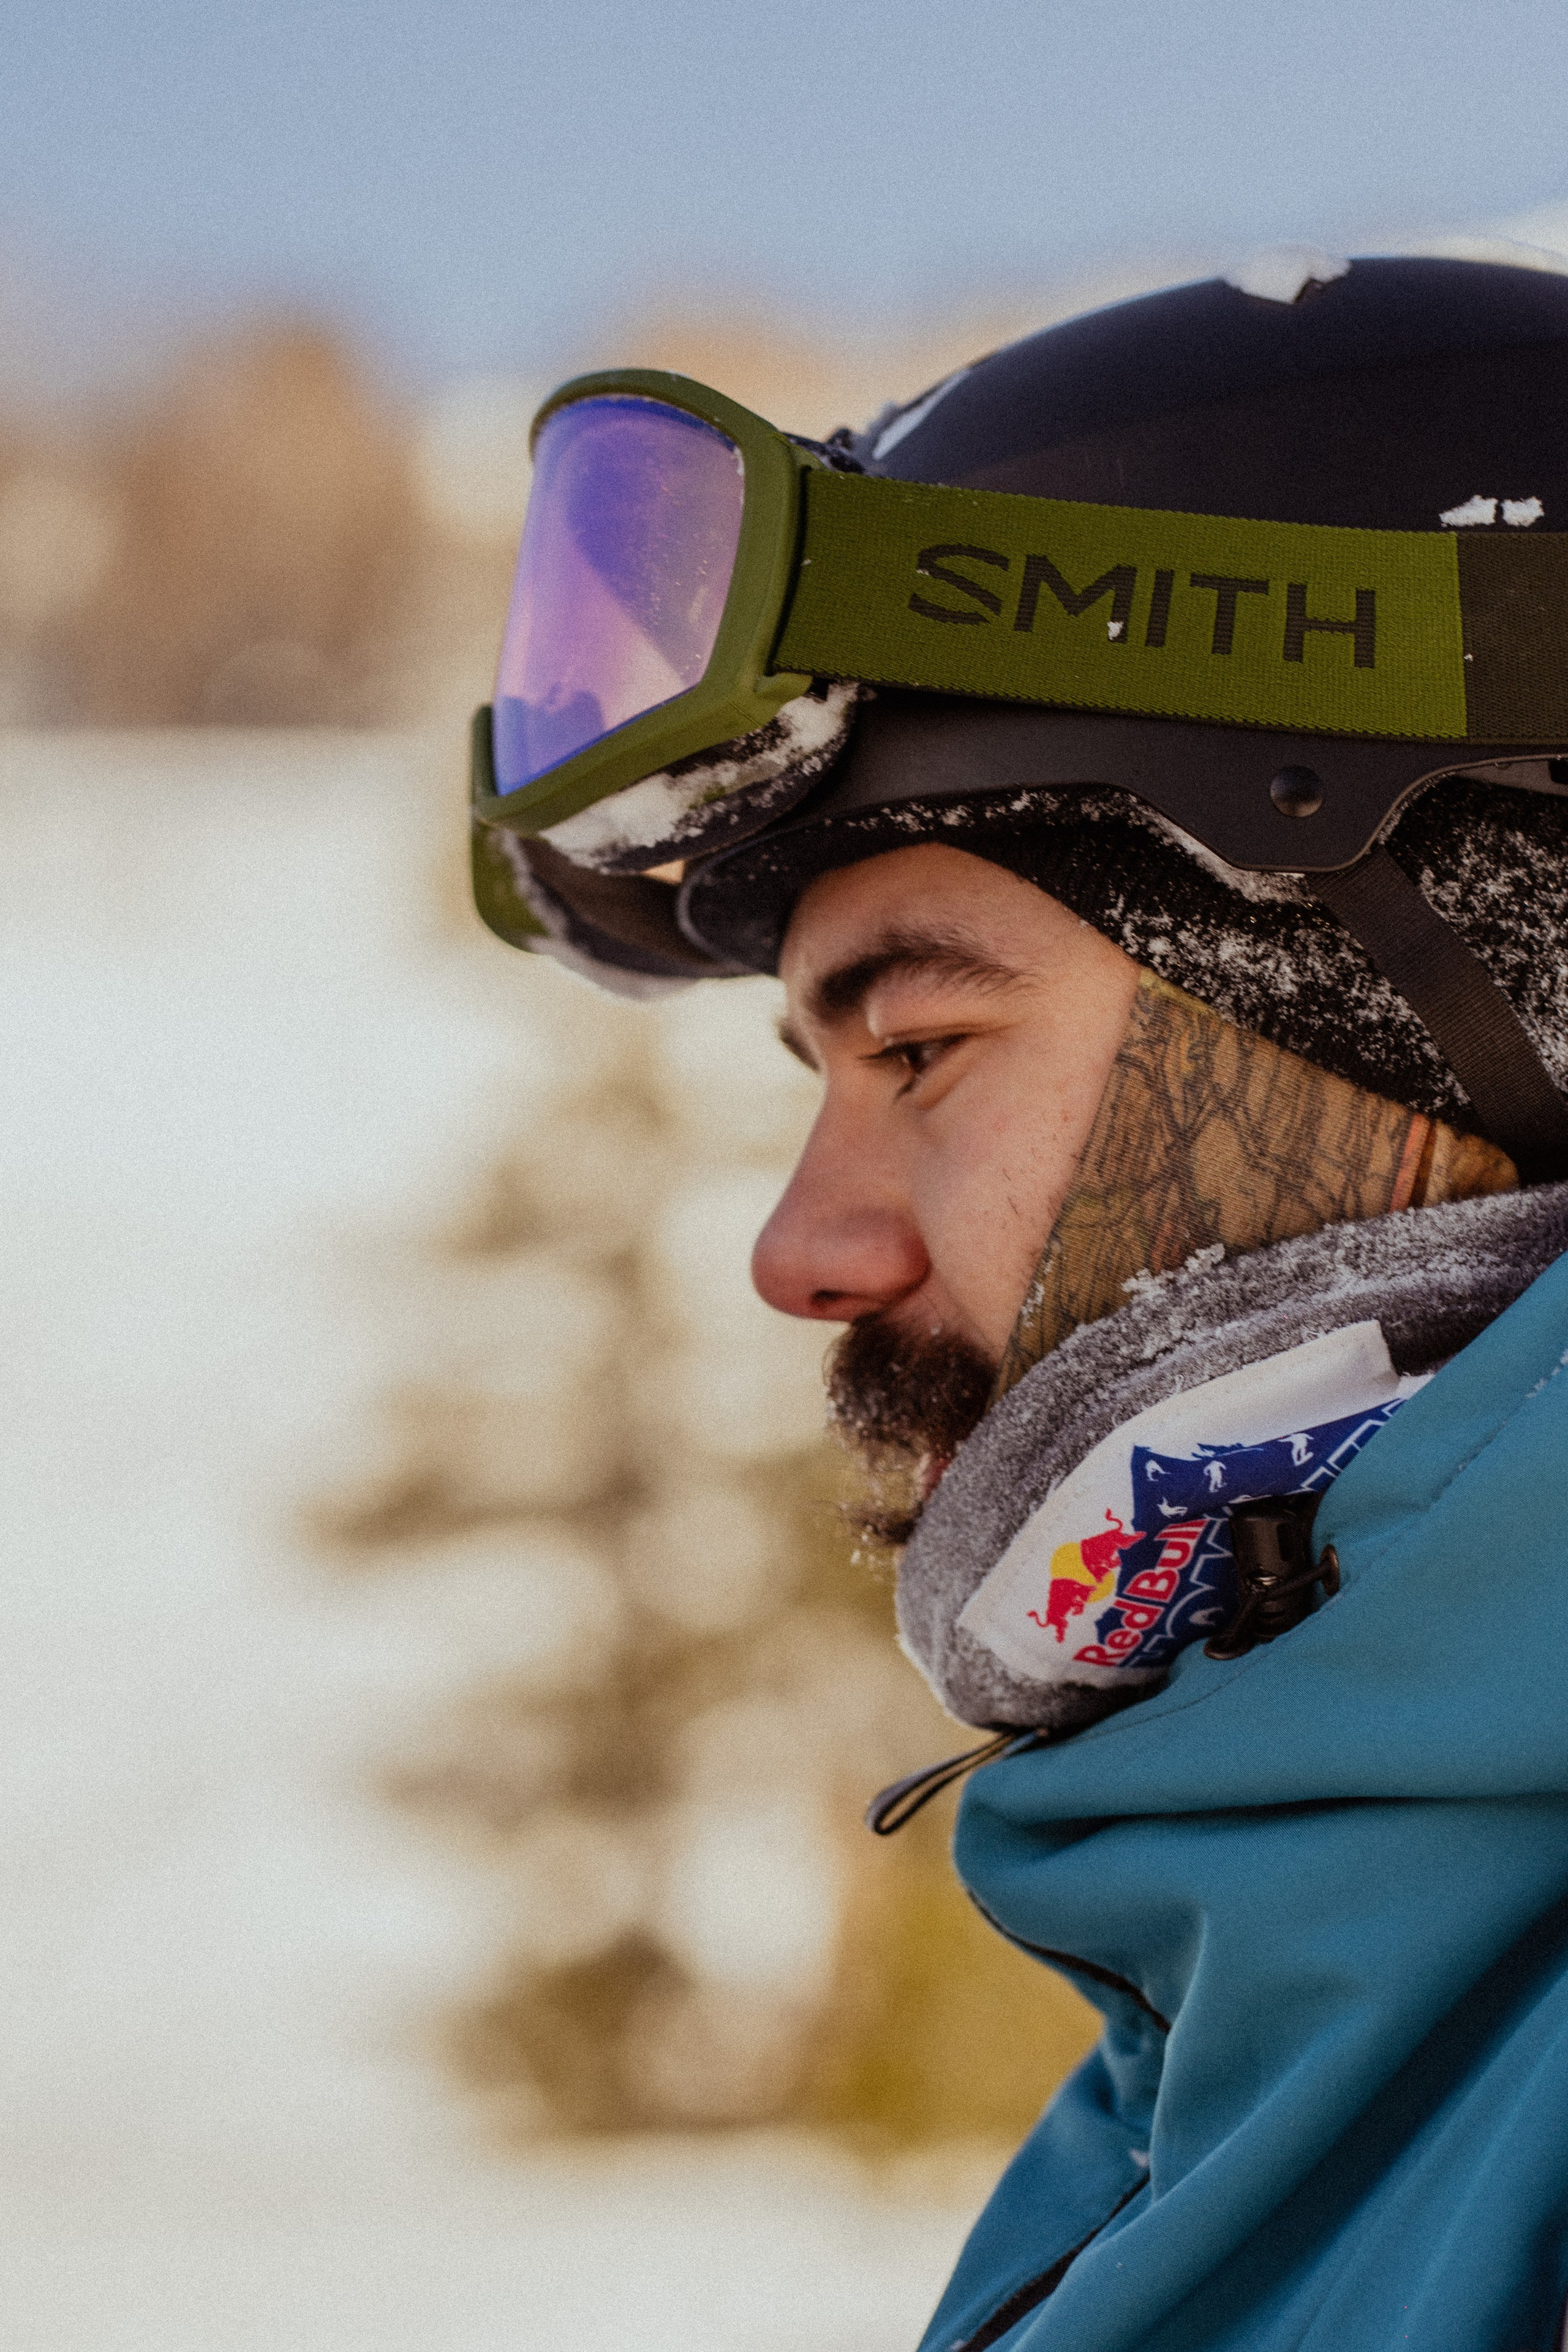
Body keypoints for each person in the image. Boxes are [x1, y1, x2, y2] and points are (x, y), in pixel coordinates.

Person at [471, 252, 1568, 2351]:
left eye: (922, 1053)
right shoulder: (1253, 2035)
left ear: (1485, 1005)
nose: (803, 1252)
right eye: (820, 1082)